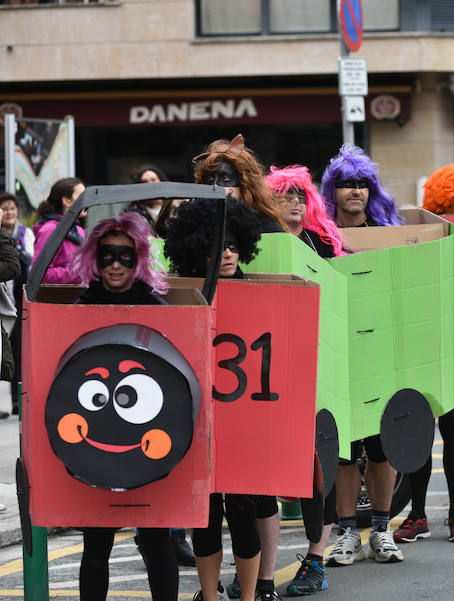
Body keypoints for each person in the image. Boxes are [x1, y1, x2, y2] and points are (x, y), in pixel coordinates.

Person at [163, 198, 268, 601]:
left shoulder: (259, 291)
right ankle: (209, 596)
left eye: (233, 244)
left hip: (245, 423)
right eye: (216, 244)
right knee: (204, 520)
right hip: (196, 422)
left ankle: (246, 596)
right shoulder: (184, 294)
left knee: (244, 517)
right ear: (196, 248)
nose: (227, 252)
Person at [69, 212, 177, 601]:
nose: (116, 264)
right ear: (96, 259)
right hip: (96, 444)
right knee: (96, 545)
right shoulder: (79, 309)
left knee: (155, 541)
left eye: (125, 257)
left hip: (145, 443)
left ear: (139, 260)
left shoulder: (156, 307)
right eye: (109, 255)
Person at [260, 165, 346, 597]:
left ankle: (316, 558)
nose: (294, 201)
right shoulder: (260, 247)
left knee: (319, 468)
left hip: (321, 368)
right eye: (285, 194)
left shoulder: (322, 244)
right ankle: (260, 571)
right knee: (266, 473)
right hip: (272, 372)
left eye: (300, 194)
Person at [319, 144, 405, 567]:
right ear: (331, 191)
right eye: (346, 184)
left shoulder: (390, 234)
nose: (355, 191)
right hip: (337, 352)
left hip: (381, 351)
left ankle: (383, 530)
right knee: (344, 449)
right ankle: (349, 532)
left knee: (382, 444)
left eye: (362, 184)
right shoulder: (318, 239)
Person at [391, 163, 454, 546]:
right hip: (425, 347)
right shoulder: (424, 237)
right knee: (420, 436)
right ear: (453, 203)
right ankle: (418, 514)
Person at [193, 134, 284, 233]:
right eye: (210, 179)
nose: (215, 185)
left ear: (244, 186)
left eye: (225, 179)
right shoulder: (194, 225)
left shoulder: (267, 228)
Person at [266, 165, 346, 258]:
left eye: (301, 196)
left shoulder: (321, 241)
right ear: (272, 200)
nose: (296, 200)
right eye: (288, 195)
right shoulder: (264, 237)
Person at [0, 192, 33, 416]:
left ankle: (15, 401)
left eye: (12, 208)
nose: (9, 212)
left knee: (16, 351)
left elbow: (27, 262)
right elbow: (12, 266)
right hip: (8, 298)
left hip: (18, 298)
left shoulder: (24, 233)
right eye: (5, 208)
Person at [321, 144, 404, 229]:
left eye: (363, 185)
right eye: (348, 184)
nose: (357, 192)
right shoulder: (322, 234)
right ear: (332, 190)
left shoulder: (384, 230)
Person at [32, 177, 85, 284]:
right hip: (55, 298)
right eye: (82, 196)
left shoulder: (79, 230)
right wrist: (78, 272)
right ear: (67, 201)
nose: (87, 201)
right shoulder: (50, 230)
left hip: (76, 297)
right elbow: (40, 274)